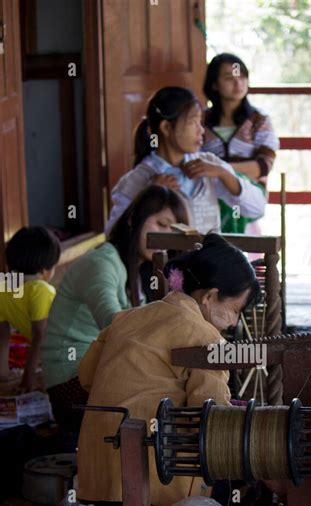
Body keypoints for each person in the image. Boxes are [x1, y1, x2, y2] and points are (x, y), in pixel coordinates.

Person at [76, 233, 261, 506]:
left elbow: (86, 376)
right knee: (255, 496)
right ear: (210, 296)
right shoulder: (206, 337)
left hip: (95, 483)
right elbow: (213, 420)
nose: (234, 323)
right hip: (152, 493)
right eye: (235, 310)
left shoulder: (129, 317)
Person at [41, 185, 188, 431]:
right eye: (161, 225)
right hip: (71, 380)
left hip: (101, 368)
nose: (165, 239)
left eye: (173, 231)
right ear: (133, 219)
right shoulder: (101, 263)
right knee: (164, 399)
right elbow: (114, 323)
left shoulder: (142, 270)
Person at [105, 87, 266, 236]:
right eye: (193, 122)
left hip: (210, 264)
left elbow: (257, 208)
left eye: (200, 122)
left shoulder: (209, 165)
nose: (201, 130)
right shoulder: (137, 180)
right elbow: (113, 235)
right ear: (166, 128)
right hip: (165, 267)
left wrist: (225, 174)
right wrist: (148, 197)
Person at [202, 53, 279, 232]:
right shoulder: (200, 120)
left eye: (242, 77)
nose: (238, 83)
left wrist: (219, 170)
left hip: (249, 194)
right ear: (214, 84)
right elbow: (193, 160)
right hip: (208, 194)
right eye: (229, 78)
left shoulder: (259, 120)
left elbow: (263, 166)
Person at [0, 227, 60, 393]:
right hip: (65, 349)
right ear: (44, 270)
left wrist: (3, 374)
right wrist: (28, 380)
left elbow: (2, 335)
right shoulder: (41, 290)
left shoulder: (3, 287)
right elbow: (41, 336)